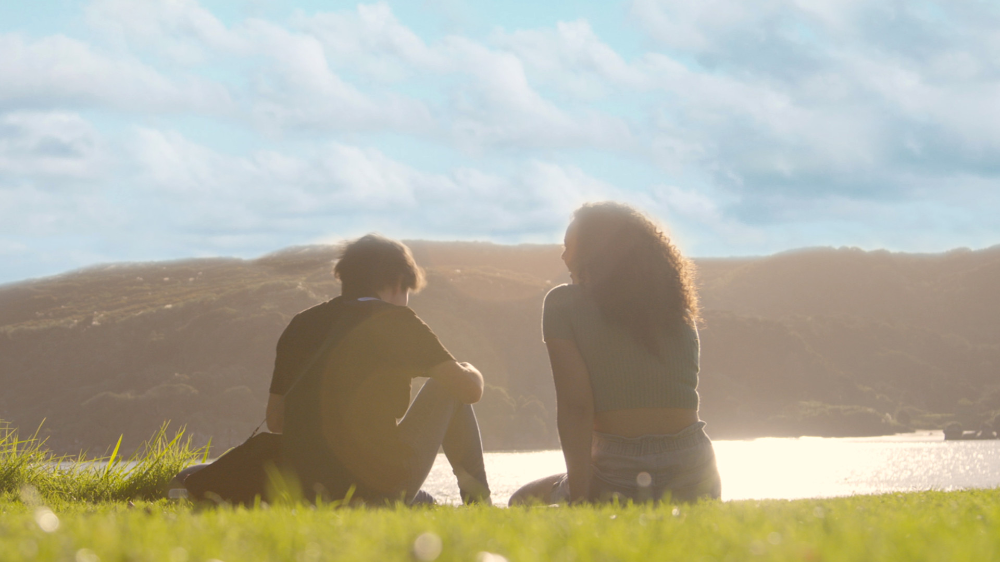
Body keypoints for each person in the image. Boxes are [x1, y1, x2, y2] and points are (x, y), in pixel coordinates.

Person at [509, 202, 721, 505]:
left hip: (619, 469)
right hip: (694, 467)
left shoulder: (562, 304)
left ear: (594, 253)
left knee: (522, 500)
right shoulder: (677, 309)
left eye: (569, 247)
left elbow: (576, 408)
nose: (563, 256)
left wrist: (580, 498)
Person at [266, 234, 491, 504]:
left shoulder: (300, 324)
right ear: (398, 281)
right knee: (449, 385)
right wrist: (470, 370)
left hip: (307, 489)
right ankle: (479, 501)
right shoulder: (396, 321)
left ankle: (420, 503)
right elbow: (469, 391)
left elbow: (276, 422)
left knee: (426, 502)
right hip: (374, 486)